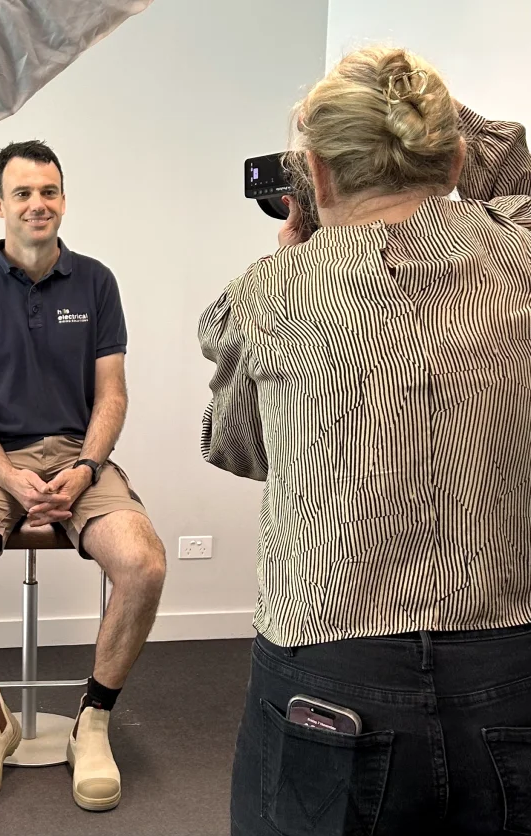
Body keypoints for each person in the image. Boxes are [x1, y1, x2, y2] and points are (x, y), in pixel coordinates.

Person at [199, 46, 531, 835]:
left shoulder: (265, 291)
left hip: (328, 670)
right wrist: (417, 106)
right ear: (450, 157)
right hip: (512, 664)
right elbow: (511, 164)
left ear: (311, 176)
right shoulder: (521, 255)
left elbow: (238, 449)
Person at [0, 139, 167, 812]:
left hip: (80, 457)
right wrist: (8, 476)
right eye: (23, 193)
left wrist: (86, 468)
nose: (38, 204)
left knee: (144, 564)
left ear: (63, 199)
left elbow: (111, 394)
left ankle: (94, 719)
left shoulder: (97, 281)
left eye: (49, 191)